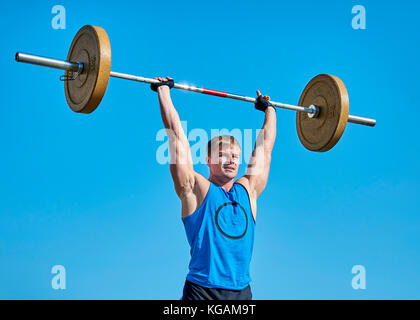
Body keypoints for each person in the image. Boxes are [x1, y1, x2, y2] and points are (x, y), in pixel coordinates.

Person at [151, 76, 276, 300]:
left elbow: (265, 149)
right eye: (223, 155)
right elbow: (177, 138)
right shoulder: (197, 189)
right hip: (202, 290)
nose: (231, 160)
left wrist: (270, 111)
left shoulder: (248, 190)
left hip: (242, 292)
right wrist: (164, 92)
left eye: (236, 156)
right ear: (208, 159)